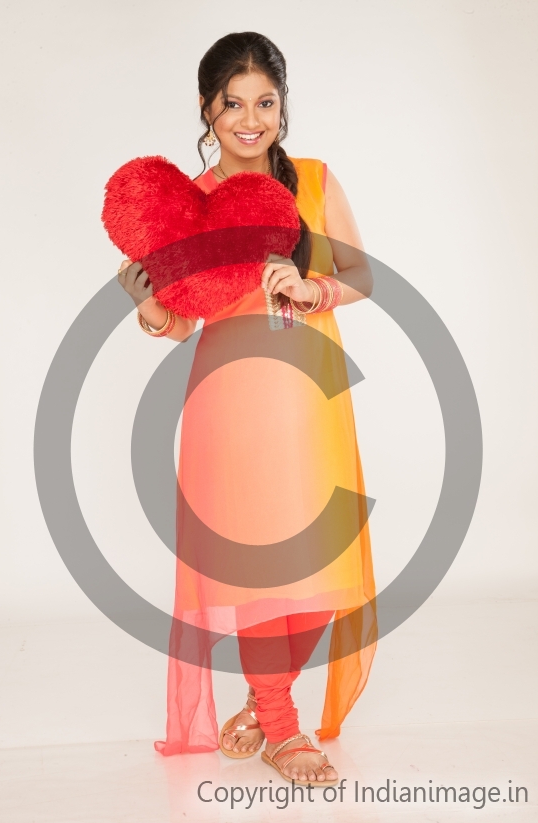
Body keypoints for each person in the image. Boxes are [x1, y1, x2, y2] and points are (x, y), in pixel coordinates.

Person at [117, 31, 377, 786]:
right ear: (207, 109)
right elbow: (178, 322)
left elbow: (360, 272)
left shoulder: (315, 181)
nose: (250, 118)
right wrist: (149, 309)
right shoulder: (189, 204)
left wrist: (311, 286)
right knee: (264, 566)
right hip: (230, 405)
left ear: (282, 108)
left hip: (311, 399)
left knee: (324, 570)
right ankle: (283, 729)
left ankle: (264, 707)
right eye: (233, 103)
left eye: (265, 102)